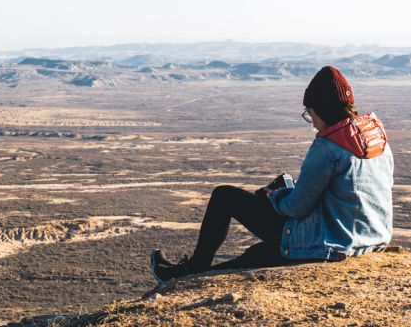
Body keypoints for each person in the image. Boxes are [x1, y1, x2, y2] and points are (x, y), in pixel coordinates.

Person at [151, 65, 394, 283]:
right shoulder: (375, 136)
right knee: (256, 255)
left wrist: (274, 196)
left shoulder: (329, 146)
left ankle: (193, 271)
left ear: (320, 109)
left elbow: (296, 208)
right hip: (373, 238)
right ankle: (193, 277)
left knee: (224, 197)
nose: (312, 123)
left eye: (310, 114)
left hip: (331, 244)